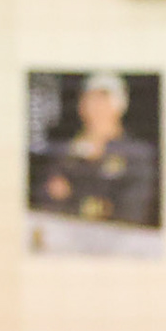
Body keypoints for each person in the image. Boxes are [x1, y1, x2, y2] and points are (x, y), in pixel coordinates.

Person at [37, 72, 158, 227]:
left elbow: (130, 213)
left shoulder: (136, 154)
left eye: (103, 99)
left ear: (120, 105)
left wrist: (73, 197)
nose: (95, 106)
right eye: (89, 98)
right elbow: (46, 199)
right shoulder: (66, 151)